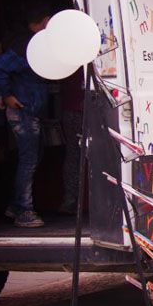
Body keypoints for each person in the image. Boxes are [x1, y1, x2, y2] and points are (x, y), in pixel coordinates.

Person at [0, 3, 52, 228]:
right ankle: (24, 210)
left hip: (30, 110)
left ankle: (16, 205)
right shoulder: (25, 45)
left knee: (32, 157)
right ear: (45, 21)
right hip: (22, 111)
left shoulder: (31, 43)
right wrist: (7, 95)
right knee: (28, 160)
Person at [58, 67, 84, 215]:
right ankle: (72, 201)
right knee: (77, 156)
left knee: (73, 155)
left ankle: (71, 201)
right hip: (77, 110)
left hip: (72, 109)